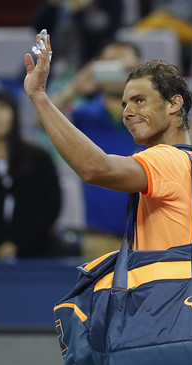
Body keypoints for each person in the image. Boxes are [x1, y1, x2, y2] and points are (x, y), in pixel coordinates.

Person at [24, 31, 192, 365]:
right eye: (123, 104)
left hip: (171, 330)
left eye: (139, 100)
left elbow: (95, 168)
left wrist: (40, 97)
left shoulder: (166, 158)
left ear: (174, 104)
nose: (127, 112)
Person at [52, 41, 145, 259]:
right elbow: (41, 120)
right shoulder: (84, 113)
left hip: (149, 237)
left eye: (125, 64)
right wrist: (75, 88)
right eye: (110, 63)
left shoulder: (150, 115)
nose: (118, 69)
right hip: (97, 240)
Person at [0, 89, 61, 260]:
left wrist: (17, 244)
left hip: (36, 258)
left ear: (14, 113)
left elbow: (51, 206)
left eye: (0, 108)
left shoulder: (39, 159)